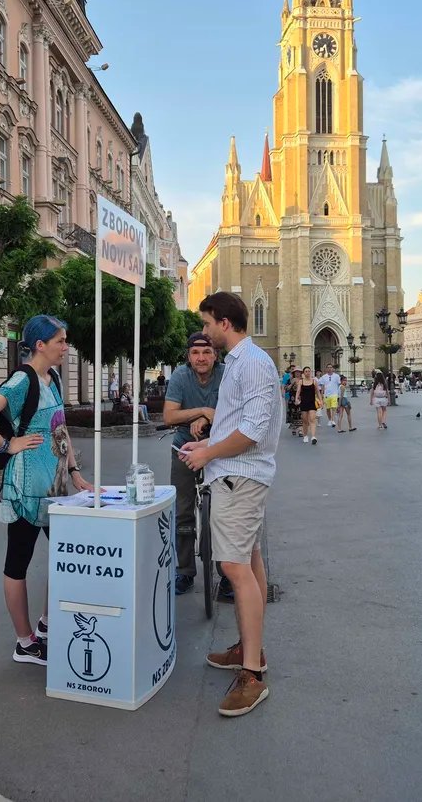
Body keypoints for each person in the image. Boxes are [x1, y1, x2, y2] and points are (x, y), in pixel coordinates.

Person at [0, 315, 93, 666]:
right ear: (40, 345)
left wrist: (75, 472)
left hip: (54, 487)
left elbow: (60, 428)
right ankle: (25, 642)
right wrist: (8, 444)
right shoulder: (22, 379)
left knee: (66, 555)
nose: (66, 348)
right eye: (60, 342)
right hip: (25, 489)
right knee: (18, 562)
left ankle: (48, 624)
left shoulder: (52, 378)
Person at [180, 292, 283, 718]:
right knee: (249, 559)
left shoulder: (253, 362)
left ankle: (252, 674)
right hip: (235, 474)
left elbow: (255, 431)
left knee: (234, 569)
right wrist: (207, 442)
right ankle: (249, 647)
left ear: (224, 322)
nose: (203, 332)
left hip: (240, 479)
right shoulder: (242, 362)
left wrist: (209, 454)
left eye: (206, 324)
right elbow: (237, 422)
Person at [163, 332, 224, 596]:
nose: (201, 358)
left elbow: (238, 411)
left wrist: (210, 420)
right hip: (184, 448)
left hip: (219, 448)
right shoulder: (180, 376)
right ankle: (185, 571)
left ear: (215, 355)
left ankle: (228, 574)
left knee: (223, 514)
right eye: (196, 353)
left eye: (207, 352)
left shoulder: (227, 374)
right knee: (183, 511)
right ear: (188, 356)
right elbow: (169, 416)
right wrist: (203, 411)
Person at [294, 366, 320, 444]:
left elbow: (318, 392)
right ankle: (305, 435)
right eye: (306, 371)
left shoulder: (314, 381)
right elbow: (298, 391)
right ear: (304, 373)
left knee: (312, 419)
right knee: (305, 421)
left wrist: (321, 400)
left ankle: (313, 437)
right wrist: (296, 399)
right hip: (304, 403)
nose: (308, 373)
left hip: (312, 402)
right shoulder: (301, 382)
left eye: (309, 371)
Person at [318, 364, 342, 428]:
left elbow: (339, 385)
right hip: (326, 394)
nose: (329, 369)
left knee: (334, 407)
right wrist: (322, 395)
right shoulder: (323, 377)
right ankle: (329, 420)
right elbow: (322, 386)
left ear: (333, 369)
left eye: (330, 367)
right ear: (326, 369)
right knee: (328, 408)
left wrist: (340, 394)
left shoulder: (336, 376)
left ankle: (332, 420)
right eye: (328, 367)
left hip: (334, 394)